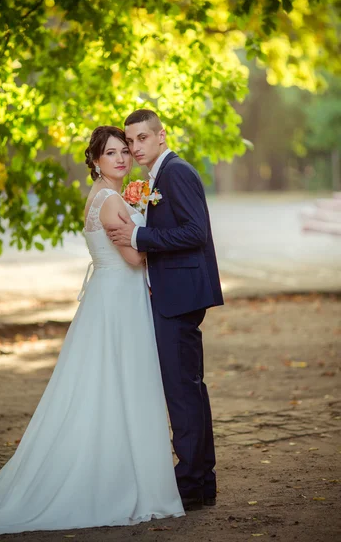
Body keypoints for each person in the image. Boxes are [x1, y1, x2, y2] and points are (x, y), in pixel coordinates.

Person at [0, 126, 184, 538]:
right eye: (111, 153)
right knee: (119, 384)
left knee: (115, 385)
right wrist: (165, 240)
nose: (122, 159)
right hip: (116, 303)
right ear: (95, 161)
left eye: (125, 151)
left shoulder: (110, 196)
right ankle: (119, 482)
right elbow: (134, 259)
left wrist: (144, 230)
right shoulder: (109, 202)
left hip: (115, 300)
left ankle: (127, 472)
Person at [106, 110, 224, 511]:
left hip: (180, 296)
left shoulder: (175, 172)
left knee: (182, 390)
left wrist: (139, 235)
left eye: (142, 139)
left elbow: (195, 232)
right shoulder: (158, 175)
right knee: (188, 387)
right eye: (130, 140)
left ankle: (192, 481)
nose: (135, 147)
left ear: (161, 136)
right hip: (175, 293)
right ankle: (199, 478)